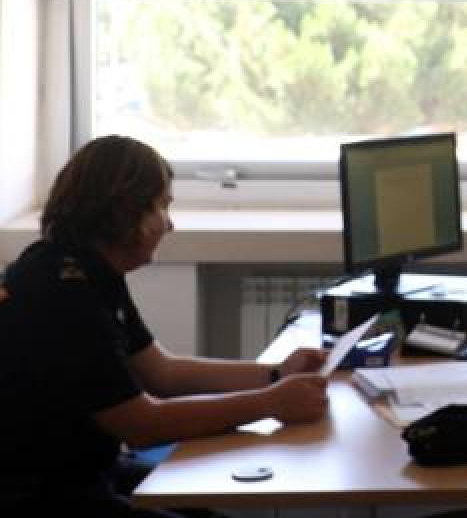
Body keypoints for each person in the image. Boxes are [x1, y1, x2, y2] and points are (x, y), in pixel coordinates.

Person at [0, 135, 330, 517]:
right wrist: (270, 403)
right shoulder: (62, 296)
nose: (169, 224)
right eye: (162, 206)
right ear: (125, 212)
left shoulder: (86, 270)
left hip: (83, 471)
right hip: (41, 495)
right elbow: (143, 425)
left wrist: (276, 373)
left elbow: (163, 373)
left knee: (204, 505)